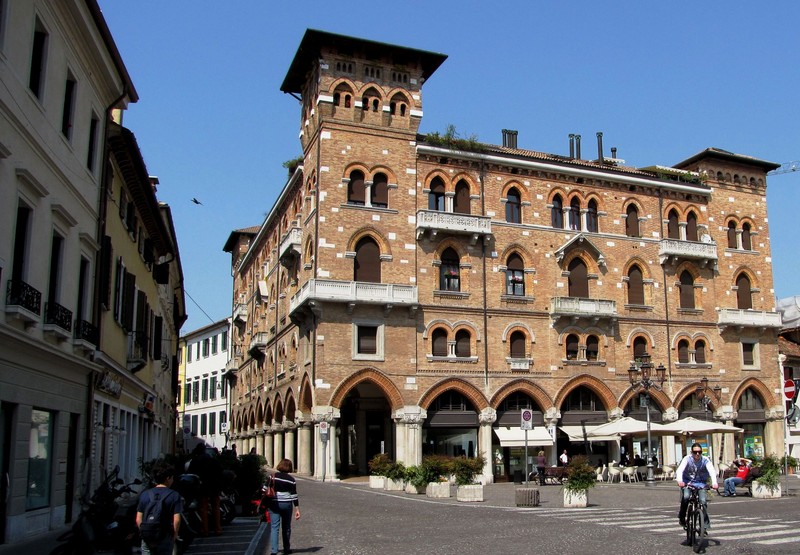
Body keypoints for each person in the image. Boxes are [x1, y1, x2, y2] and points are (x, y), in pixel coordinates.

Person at [136, 460, 183, 555]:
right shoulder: (174, 495)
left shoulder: (145, 494)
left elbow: (138, 518)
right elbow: (177, 520)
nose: (173, 480)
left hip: (147, 535)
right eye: (172, 477)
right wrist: (174, 535)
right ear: (168, 478)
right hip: (165, 535)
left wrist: (144, 532)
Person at [676, 443, 718, 537]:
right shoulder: (687, 459)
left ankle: (704, 526)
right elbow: (680, 470)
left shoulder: (705, 460)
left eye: (699, 452)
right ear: (691, 452)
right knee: (686, 497)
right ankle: (682, 517)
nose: (697, 454)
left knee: (703, 501)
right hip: (687, 483)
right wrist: (680, 481)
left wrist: (714, 483)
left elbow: (712, 471)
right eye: (695, 452)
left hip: (701, 483)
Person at [188, 444, 223, 536]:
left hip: (202, 486)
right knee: (216, 507)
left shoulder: (195, 461)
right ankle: (218, 528)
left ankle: (205, 530)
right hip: (214, 486)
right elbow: (220, 471)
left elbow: (190, 473)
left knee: (203, 508)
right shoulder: (212, 459)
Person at [267, 458, 301, 555]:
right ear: (289, 467)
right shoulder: (291, 479)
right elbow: (294, 495)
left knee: (274, 527)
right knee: (286, 527)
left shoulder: (272, 477)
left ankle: (274, 551)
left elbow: (264, 489)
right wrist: (297, 509)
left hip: (274, 504)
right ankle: (286, 548)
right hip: (287, 504)